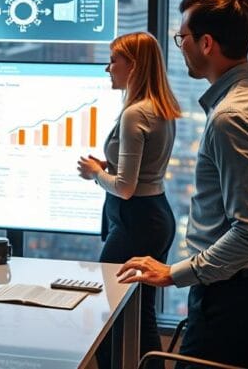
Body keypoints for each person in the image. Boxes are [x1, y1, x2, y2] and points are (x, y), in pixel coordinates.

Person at [118, 0, 248, 368]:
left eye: (182, 37)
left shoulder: (232, 118)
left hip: (236, 293)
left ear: (207, 44)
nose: (179, 45)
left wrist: (173, 274)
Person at [76, 32, 180, 369]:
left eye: (113, 61)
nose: (108, 69)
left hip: (135, 220)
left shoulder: (136, 113)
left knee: (111, 308)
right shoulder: (161, 108)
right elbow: (144, 170)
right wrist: (112, 165)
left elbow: (124, 188)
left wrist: (95, 172)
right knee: (141, 310)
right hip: (154, 215)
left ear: (132, 67)